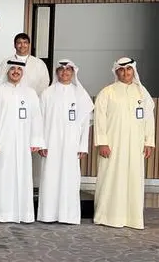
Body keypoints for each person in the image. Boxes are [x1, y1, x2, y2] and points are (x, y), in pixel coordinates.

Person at [94, 57, 155, 229]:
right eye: (121, 69)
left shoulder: (142, 93)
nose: (125, 73)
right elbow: (99, 119)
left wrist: (149, 141)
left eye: (129, 69)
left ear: (133, 71)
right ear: (116, 71)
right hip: (113, 145)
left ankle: (132, 218)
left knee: (133, 179)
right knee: (110, 177)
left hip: (136, 145)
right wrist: (102, 142)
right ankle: (106, 216)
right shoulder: (107, 92)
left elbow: (149, 119)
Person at [0, 61, 44, 223]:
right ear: (7, 71)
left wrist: (36, 140)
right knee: (0, 177)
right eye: (12, 68)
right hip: (1, 144)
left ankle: (23, 214)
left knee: (22, 178)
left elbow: (36, 118)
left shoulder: (30, 93)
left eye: (19, 69)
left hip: (23, 144)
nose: (16, 71)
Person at [37, 60, 93, 225]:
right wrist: (41, 143)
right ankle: (48, 215)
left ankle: (68, 216)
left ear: (73, 72)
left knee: (70, 179)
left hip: (72, 145)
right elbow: (39, 120)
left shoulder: (80, 94)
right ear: (57, 72)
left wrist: (83, 146)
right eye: (61, 69)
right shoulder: (47, 93)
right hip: (51, 144)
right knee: (50, 178)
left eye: (68, 69)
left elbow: (85, 123)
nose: (65, 72)